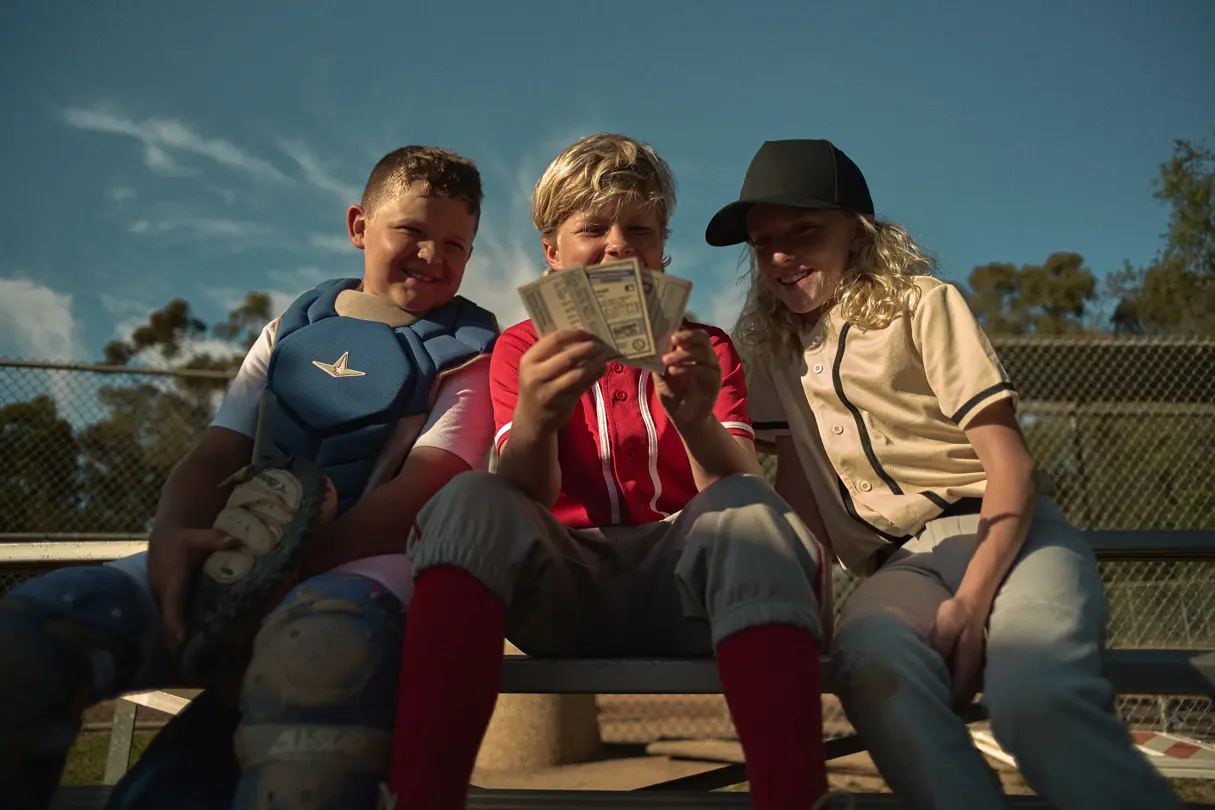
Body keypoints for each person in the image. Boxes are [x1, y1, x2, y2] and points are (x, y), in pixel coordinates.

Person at [0, 145, 500, 810]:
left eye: (454, 244)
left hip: (365, 571)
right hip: (232, 556)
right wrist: (176, 537)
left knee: (317, 664)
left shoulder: (467, 355)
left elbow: (424, 486)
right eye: (410, 230)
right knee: (37, 635)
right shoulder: (293, 329)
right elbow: (216, 451)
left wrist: (277, 574)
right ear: (358, 226)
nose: (431, 256)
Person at [707, 138, 1185, 810]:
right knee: (868, 661)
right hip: (898, 567)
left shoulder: (919, 303)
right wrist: (805, 609)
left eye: (804, 230)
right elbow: (798, 488)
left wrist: (971, 602)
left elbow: (1009, 464)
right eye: (761, 243)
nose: (780, 255)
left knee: (1035, 698)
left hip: (1004, 534)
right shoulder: (772, 348)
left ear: (856, 229)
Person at [382, 133, 848, 810]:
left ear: (662, 251)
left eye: (640, 230)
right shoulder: (520, 348)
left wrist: (693, 417)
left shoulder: (703, 345)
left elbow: (737, 481)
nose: (618, 246)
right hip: (562, 590)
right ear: (551, 253)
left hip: (686, 591)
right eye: (591, 228)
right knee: (471, 498)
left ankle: (793, 797)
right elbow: (527, 495)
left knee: (753, 511)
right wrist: (539, 416)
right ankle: (424, 796)